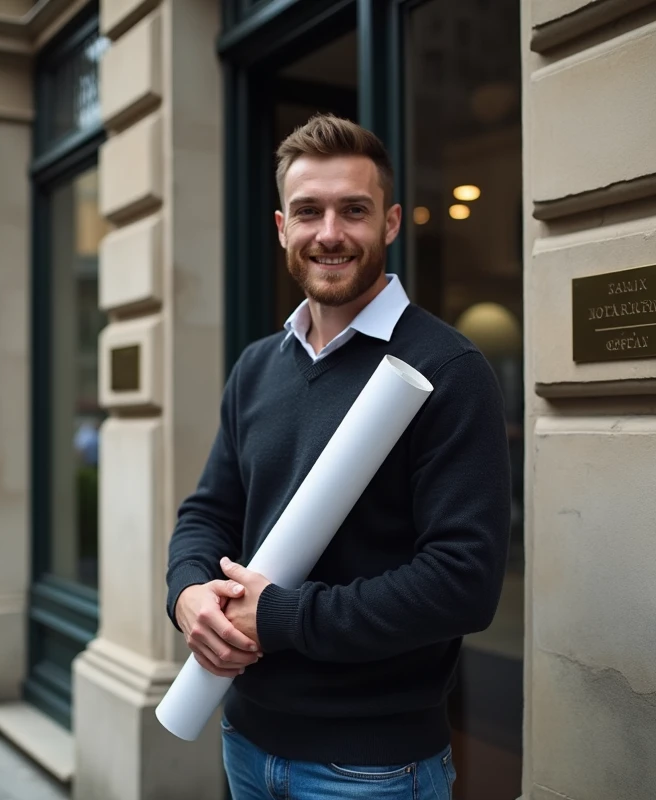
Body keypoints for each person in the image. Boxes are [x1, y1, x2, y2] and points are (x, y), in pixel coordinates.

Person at [164, 114, 511, 800]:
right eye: (308, 212)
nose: (329, 233)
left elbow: (462, 581)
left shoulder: (447, 367)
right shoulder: (258, 366)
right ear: (281, 227)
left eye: (353, 210)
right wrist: (188, 593)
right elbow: (210, 510)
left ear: (388, 223)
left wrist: (279, 617)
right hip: (245, 741)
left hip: (373, 766)